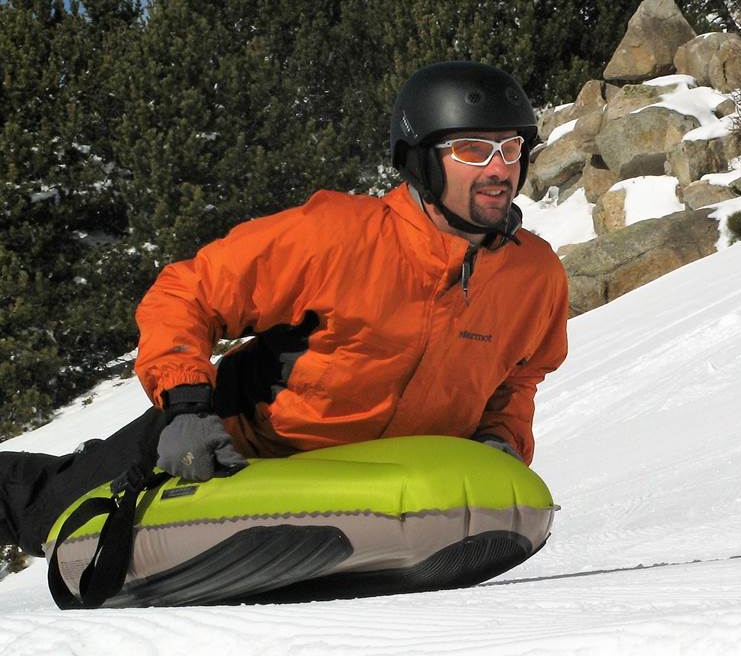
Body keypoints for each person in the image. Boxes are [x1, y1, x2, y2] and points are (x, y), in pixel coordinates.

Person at [0, 61, 570, 558]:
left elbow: (519, 377)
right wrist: (186, 408)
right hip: (235, 445)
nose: (499, 169)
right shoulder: (336, 236)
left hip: (371, 479)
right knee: (47, 510)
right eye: (473, 150)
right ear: (421, 161)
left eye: (510, 148)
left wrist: (500, 440)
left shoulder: (534, 275)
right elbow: (186, 292)